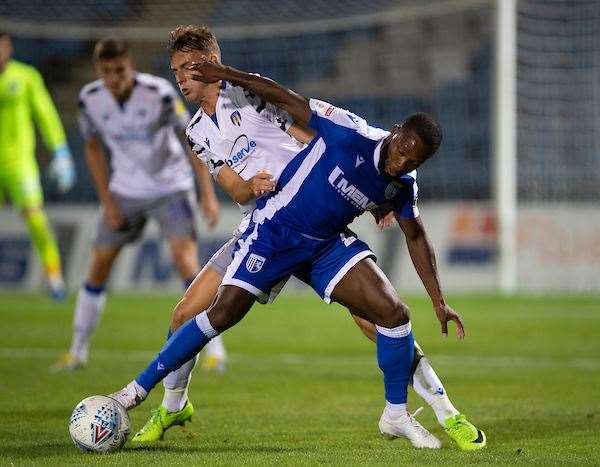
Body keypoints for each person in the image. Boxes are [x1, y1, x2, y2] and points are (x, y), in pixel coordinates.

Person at [108, 29, 486, 451]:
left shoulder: (248, 95)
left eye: (190, 68)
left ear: (211, 61)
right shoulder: (196, 131)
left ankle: (444, 408)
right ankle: (173, 406)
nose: (181, 77)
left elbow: (314, 132)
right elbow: (232, 187)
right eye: (176, 70)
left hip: (311, 217)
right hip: (262, 227)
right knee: (184, 315)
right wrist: (251, 184)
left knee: (378, 319)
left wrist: (366, 183)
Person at [51, 38, 220, 372]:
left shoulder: (158, 93)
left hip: (170, 187)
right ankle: (78, 350)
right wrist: (107, 200)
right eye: (108, 71)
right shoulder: (90, 100)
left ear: (130, 66)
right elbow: (93, 148)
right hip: (125, 191)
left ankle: (215, 351)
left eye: (121, 70)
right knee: (99, 264)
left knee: (187, 264)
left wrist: (207, 194)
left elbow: (193, 138)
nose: (116, 77)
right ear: (99, 72)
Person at [0, 31, 75, 300]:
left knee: (35, 219)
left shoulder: (25, 76)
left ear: (9, 48)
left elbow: (45, 114)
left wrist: (61, 151)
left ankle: (54, 278)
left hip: (19, 162)